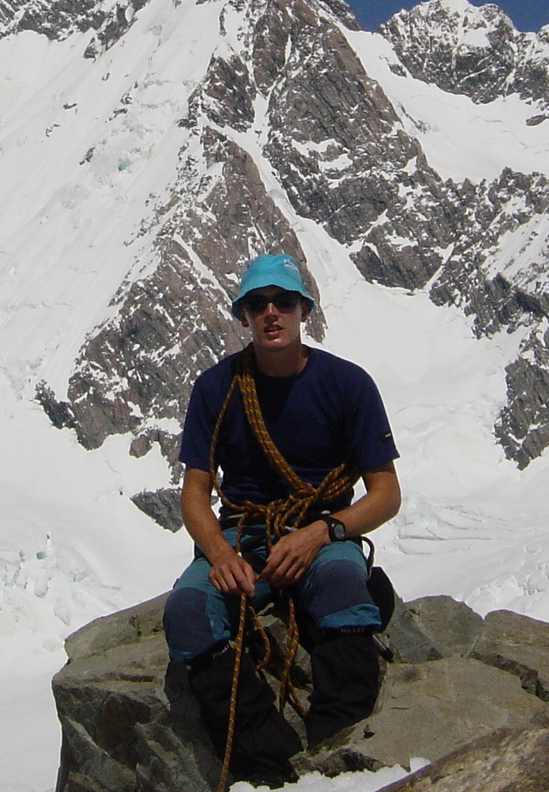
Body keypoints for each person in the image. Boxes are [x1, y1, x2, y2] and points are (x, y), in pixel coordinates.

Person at [163, 253, 401, 788]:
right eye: (257, 304)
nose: (271, 313)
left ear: (303, 310)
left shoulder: (347, 385)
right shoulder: (216, 388)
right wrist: (220, 556)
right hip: (242, 533)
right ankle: (270, 762)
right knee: (189, 613)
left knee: (340, 579)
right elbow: (196, 493)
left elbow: (385, 493)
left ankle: (338, 746)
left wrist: (324, 531)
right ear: (243, 315)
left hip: (320, 527)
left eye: (283, 302)